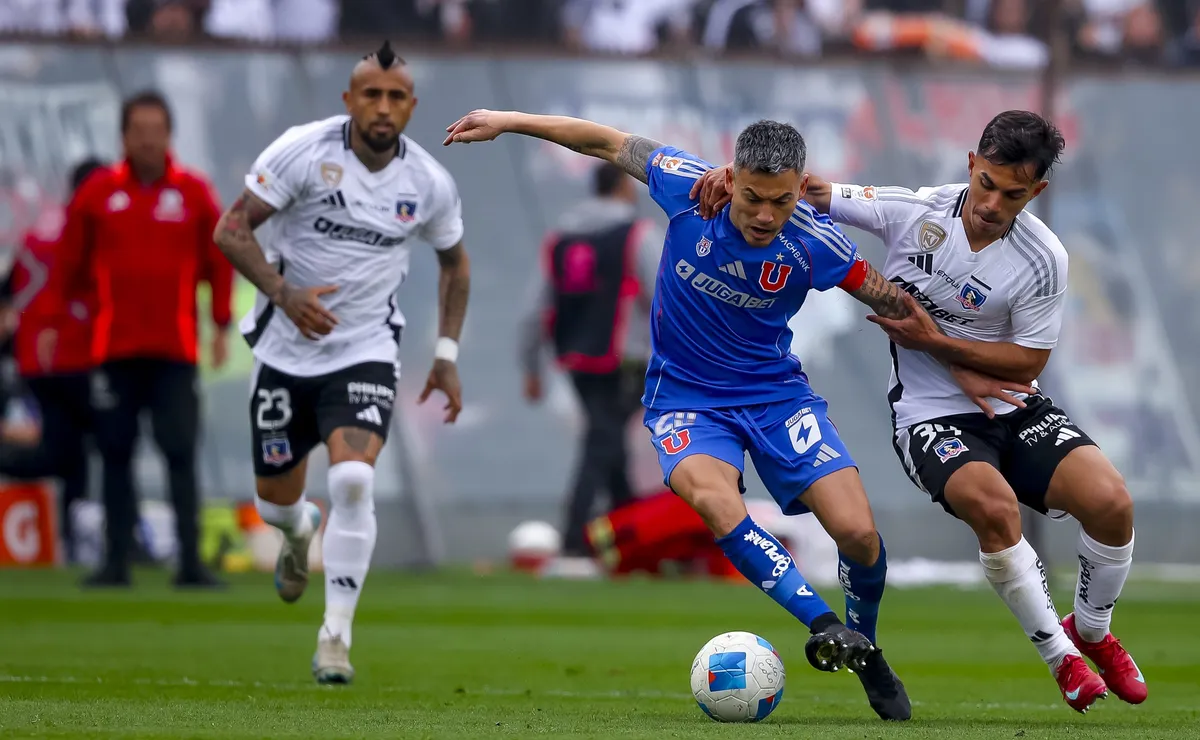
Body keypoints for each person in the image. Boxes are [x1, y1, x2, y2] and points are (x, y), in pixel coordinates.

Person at [445, 108, 1030, 721]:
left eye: (779, 201)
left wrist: (959, 365)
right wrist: (507, 121)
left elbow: (894, 303)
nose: (762, 214)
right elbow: (606, 140)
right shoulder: (688, 188)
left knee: (858, 534)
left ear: (799, 189)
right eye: (751, 197)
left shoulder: (818, 243)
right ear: (733, 178)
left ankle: (866, 651)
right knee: (717, 502)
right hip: (687, 399)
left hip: (777, 397)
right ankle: (824, 623)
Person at [691, 110, 1143, 714]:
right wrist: (728, 175)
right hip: (931, 416)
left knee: (1112, 505)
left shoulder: (1044, 258)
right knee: (994, 507)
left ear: (1036, 192)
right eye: (986, 183)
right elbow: (810, 190)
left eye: (1013, 194)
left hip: (1012, 403)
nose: (992, 203)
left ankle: (1091, 629)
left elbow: (1028, 360)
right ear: (971, 166)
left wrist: (938, 344)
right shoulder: (913, 210)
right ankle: (1062, 657)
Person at [213, 41, 470, 685]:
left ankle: (335, 637)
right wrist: (283, 293)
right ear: (349, 100)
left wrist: (445, 354)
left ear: (412, 106)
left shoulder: (429, 183)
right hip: (283, 350)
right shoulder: (302, 152)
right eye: (371, 95)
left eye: (396, 97)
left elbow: (454, 264)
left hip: (364, 349)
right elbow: (230, 229)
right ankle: (299, 535)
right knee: (275, 503)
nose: (383, 108)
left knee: (354, 480)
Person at [52, 91, 234, 588]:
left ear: (169, 135)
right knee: (114, 453)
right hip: (113, 349)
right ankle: (115, 561)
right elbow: (68, 264)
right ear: (124, 136)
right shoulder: (98, 194)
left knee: (180, 452)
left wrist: (220, 325)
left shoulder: (193, 193)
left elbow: (219, 260)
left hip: (175, 351)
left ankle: (190, 564)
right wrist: (74, 317)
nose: (149, 139)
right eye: (140, 130)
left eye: (157, 129)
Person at [519, 162, 663, 560]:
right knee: (603, 440)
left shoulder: (561, 240)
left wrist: (531, 367)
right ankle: (573, 539)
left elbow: (534, 310)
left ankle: (628, 535)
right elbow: (664, 301)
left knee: (607, 438)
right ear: (622, 187)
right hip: (627, 360)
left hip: (576, 361)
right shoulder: (639, 236)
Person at [0, 158, 104, 562]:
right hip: (80, 357)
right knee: (107, 447)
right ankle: (104, 539)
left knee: (68, 452)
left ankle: (75, 539)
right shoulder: (90, 231)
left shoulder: (36, 233)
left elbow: (9, 294)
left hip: (38, 364)